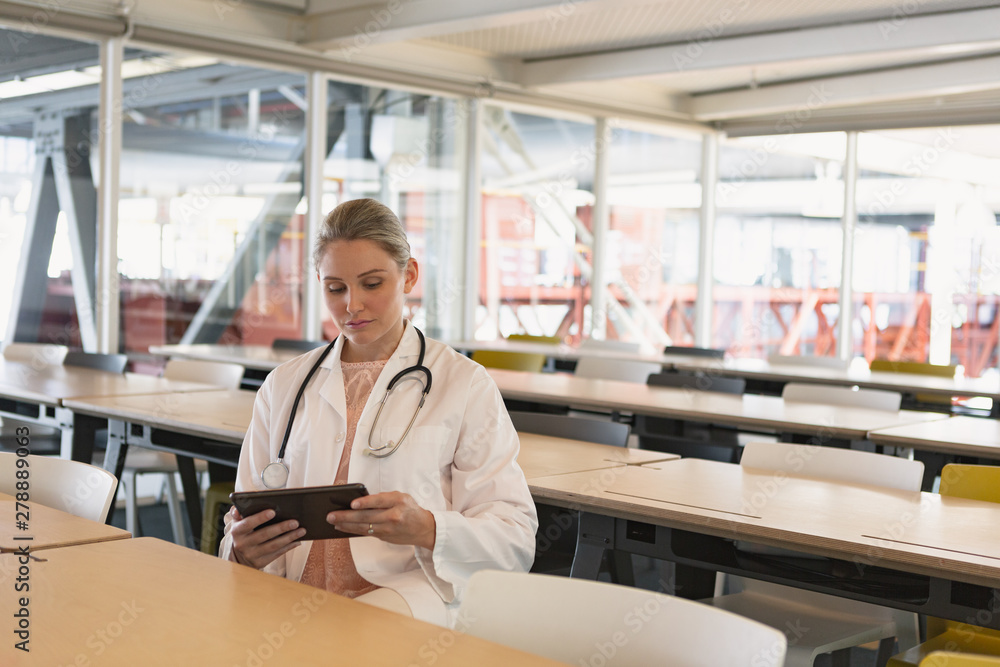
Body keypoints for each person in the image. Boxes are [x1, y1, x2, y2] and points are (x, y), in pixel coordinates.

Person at [219, 198, 537, 627]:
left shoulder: (463, 383)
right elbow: (238, 526)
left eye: (372, 284)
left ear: (408, 275)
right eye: (335, 288)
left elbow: (515, 538)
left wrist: (428, 528)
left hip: (406, 595)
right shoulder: (284, 386)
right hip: (289, 594)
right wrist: (241, 551)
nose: (352, 305)